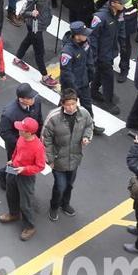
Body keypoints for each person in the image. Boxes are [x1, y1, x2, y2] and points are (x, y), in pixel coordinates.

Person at [42, 90, 94, 221]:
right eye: (68, 104)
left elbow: (89, 125)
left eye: (73, 104)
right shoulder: (53, 118)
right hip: (58, 160)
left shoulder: (84, 113)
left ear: (77, 102)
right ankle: (54, 206)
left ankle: (65, 204)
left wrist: (86, 136)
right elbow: (45, 139)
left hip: (75, 158)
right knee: (60, 186)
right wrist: (50, 160)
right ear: (62, 104)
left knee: (69, 184)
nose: (71, 107)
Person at [0, 116, 46, 240]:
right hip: (13, 169)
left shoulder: (38, 147)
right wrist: (12, 160)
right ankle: (14, 214)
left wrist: (24, 169)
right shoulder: (21, 137)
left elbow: (40, 166)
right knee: (10, 193)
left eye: (21, 129)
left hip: (26, 176)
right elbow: (17, 150)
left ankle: (30, 227)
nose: (18, 130)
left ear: (29, 132)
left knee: (25, 203)